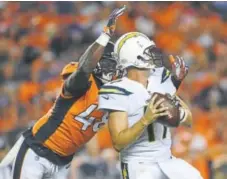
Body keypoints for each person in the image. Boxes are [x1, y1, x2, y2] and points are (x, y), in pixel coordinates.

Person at [0, 6, 126, 179]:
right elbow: (82, 70)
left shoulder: (115, 94)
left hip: (63, 161)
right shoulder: (84, 81)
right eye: (111, 63)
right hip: (38, 150)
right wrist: (104, 36)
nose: (115, 69)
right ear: (97, 62)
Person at [98, 32, 203, 179]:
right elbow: (118, 143)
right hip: (139, 164)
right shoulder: (117, 90)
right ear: (133, 56)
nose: (153, 55)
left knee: (194, 176)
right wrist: (145, 120)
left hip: (167, 160)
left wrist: (178, 113)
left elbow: (189, 120)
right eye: (148, 52)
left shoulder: (160, 77)